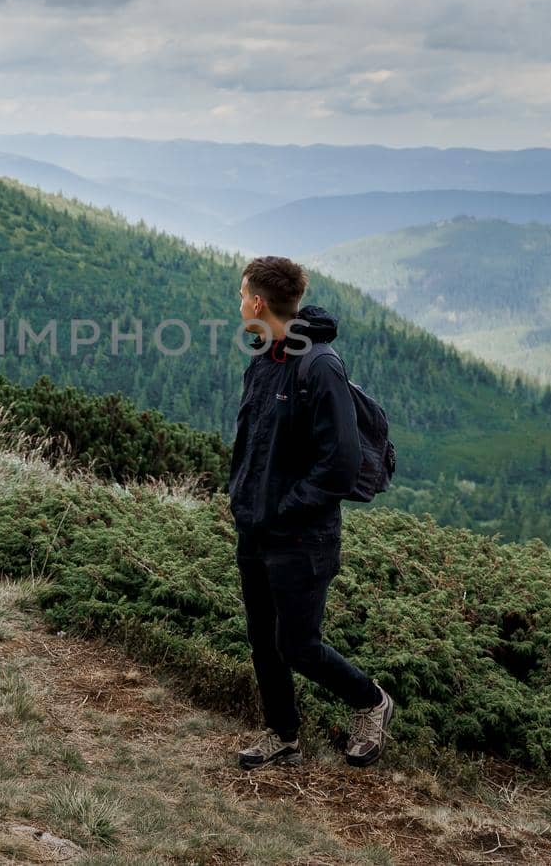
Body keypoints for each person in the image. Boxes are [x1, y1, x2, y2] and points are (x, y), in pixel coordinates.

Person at [228, 255, 394, 770]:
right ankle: (282, 734)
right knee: (263, 640)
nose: (239, 304)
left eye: (241, 295)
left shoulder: (318, 364)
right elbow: (255, 445)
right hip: (257, 529)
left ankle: (372, 703)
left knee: (297, 645)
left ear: (258, 302)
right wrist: (243, 500)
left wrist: (284, 509)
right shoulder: (266, 359)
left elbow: (340, 465)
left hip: (301, 536)